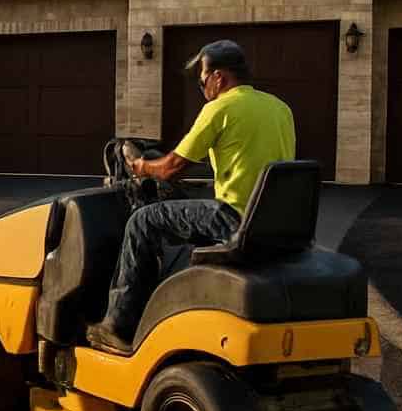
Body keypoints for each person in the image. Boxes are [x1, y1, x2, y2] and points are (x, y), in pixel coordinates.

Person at [85, 39, 295, 354]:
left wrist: (140, 166)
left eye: (202, 80)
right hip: (274, 222)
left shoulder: (219, 109)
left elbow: (171, 167)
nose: (202, 87)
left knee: (142, 222)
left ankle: (117, 325)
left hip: (234, 220)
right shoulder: (280, 108)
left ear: (219, 77)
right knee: (186, 214)